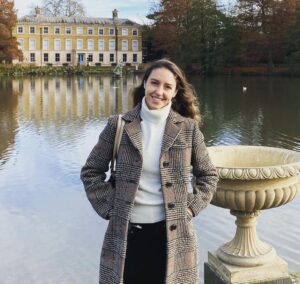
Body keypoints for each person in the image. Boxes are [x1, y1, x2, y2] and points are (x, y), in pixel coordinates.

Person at [80, 59, 219, 284]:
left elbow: (208, 176)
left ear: (174, 93)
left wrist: (190, 209)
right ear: (144, 83)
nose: (159, 91)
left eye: (167, 87)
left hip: (173, 237)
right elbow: (91, 172)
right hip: (127, 236)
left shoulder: (188, 129)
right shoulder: (118, 126)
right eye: (154, 83)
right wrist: (110, 208)